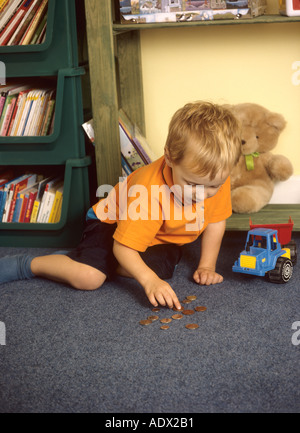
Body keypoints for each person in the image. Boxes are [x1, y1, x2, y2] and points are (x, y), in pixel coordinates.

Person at [0, 101, 241, 310]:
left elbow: (216, 220)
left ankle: (89, 258)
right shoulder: (148, 193)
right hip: (111, 224)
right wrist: (148, 281)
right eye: (192, 184)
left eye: (213, 186)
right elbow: (123, 247)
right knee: (89, 277)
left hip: (158, 235)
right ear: (169, 158)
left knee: (161, 271)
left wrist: (207, 265)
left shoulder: (214, 177)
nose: (202, 195)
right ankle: (28, 264)